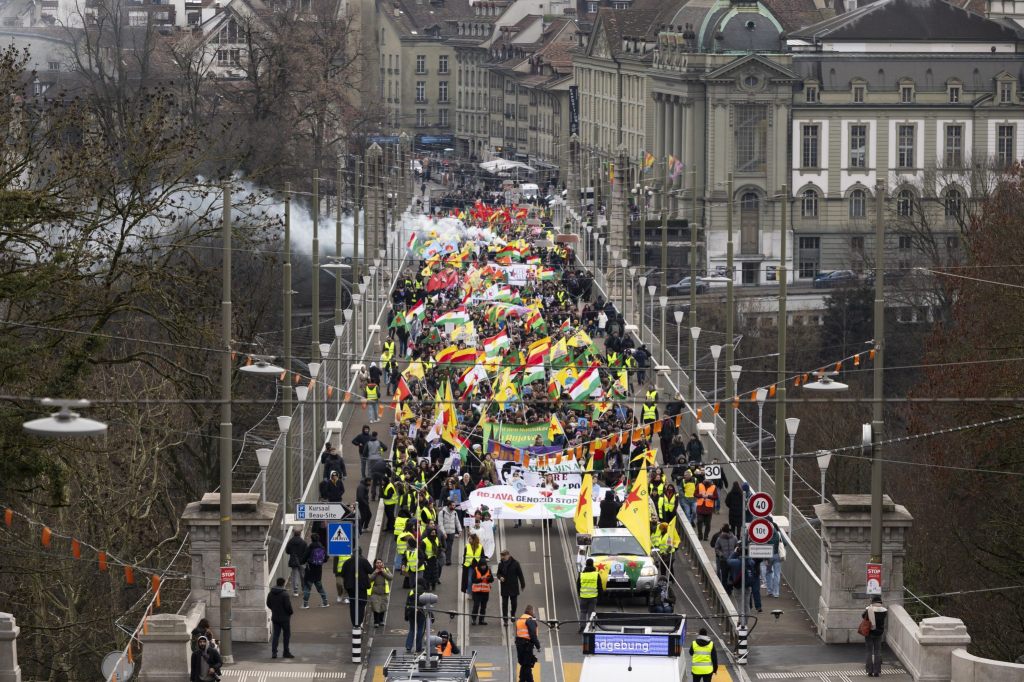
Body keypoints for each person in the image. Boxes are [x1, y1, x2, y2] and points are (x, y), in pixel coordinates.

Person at [341, 548, 374, 626]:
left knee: (353, 605)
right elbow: (371, 571)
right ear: (360, 552)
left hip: (350, 587)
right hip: (361, 587)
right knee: (361, 604)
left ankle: (354, 623)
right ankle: (359, 622)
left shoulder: (347, 562)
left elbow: (342, 574)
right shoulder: (363, 561)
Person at [266, 577, 295, 659]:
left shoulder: (271, 593)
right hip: (285, 618)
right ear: (283, 583)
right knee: (286, 635)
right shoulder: (285, 594)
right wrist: (290, 613)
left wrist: (274, 609)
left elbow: (268, 603)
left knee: (276, 635)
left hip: (275, 617)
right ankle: (286, 652)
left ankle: (274, 653)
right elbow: (288, 607)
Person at [497, 549, 526, 624]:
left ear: (508, 555)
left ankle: (512, 614)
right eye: (502, 555)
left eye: (504, 555)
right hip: (505, 587)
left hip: (513, 587)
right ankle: (505, 619)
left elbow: (520, 574)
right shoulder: (501, 564)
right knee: (504, 604)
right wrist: (500, 577)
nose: (502, 557)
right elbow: (498, 574)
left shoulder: (515, 563)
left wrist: (522, 585)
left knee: (514, 603)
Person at [301, 535, 329, 608]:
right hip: (318, 571)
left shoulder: (310, 547)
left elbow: (303, 558)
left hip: (310, 570)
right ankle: (325, 602)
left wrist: (303, 561)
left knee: (308, 587)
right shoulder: (322, 547)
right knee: (320, 587)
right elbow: (326, 559)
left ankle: (305, 604)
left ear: (311, 539)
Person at [515, 605, 542, 682]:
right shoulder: (529, 620)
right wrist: (538, 646)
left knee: (524, 665)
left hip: (519, 645)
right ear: (530, 611)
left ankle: (522, 680)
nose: (534, 613)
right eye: (534, 611)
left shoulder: (520, 619)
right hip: (527, 646)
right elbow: (532, 634)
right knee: (527, 665)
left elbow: (518, 633)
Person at [576, 558, 603, 632]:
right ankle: (590, 628)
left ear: (586, 564)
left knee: (583, 612)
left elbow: (578, 585)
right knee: (591, 614)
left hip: (583, 597)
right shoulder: (596, 574)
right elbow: (599, 586)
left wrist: (580, 594)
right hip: (593, 597)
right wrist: (600, 596)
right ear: (592, 564)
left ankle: (582, 627)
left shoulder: (581, 574)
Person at [863, 596, 888, 677]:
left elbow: (863, 616)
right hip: (879, 633)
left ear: (873, 602)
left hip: (869, 633)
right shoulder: (884, 611)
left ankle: (869, 671)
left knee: (869, 651)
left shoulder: (869, 609)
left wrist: (869, 607)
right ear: (880, 602)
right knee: (877, 651)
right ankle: (877, 671)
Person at [404, 579, 430, 653]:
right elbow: (427, 605)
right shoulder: (424, 592)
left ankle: (408, 646)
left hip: (411, 612)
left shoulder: (411, 591)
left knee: (412, 629)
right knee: (420, 629)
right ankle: (418, 647)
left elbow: (407, 604)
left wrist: (406, 614)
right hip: (421, 612)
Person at [367, 558, 393, 627]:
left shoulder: (386, 569)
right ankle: (376, 622)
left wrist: (383, 572)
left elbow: (390, 577)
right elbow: (369, 579)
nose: (379, 564)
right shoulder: (372, 571)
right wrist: (376, 572)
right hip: (375, 592)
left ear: (382, 563)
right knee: (376, 607)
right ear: (375, 564)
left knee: (383, 607)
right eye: (377, 563)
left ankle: (381, 620)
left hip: (384, 592)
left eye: (380, 562)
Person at [470, 558, 494, 625]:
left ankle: (481, 620)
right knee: (476, 605)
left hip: (485, 592)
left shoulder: (488, 570)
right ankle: (474, 619)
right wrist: (480, 579)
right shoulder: (476, 570)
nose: (483, 567)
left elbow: (492, 580)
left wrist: (489, 579)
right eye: (482, 566)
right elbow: (473, 580)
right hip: (476, 592)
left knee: (483, 607)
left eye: (484, 565)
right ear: (479, 565)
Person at [284, 528, 307, 597]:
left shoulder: (290, 542)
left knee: (295, 575)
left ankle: (296, 591)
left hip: (294, 560)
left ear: (294, 534)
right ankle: (304, 589)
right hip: (302, 561)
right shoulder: (303, 542)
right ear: (300, 534)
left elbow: (287, 551)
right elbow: (306, 552)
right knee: (303, 575)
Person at [695, 477, 717, 541]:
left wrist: (709, 496)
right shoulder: (699, 485)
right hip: (700, 508)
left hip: (709, 508)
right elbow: (695, 494)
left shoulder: (713, 487)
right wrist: (701, 495)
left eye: (708, 480)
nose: (706, 480)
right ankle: (700, 535)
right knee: (699, 521)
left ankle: (706, 536)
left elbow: (716, 497)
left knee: (708, 524)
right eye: (705, 479)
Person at [438, 499, 460, 566]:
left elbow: (457, 522)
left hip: (452, 532)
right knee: (444, 547)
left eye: (454, 506)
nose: (454, 507)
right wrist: (443, 532)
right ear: (449, 506)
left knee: (449, 547)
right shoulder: (442, 513)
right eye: (453, 505)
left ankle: (448, 560)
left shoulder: (455, 513)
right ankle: (442, 559)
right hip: (444, 533)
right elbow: (440, 524)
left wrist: (460, 530)